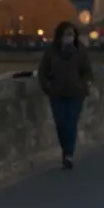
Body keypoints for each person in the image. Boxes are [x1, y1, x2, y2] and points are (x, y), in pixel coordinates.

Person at [37, 21, 94, 169]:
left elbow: (87, 71)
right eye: (67, 34)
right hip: (57, 93)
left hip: (76, 93)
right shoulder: (51, 52)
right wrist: (47, 86)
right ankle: (66, 150)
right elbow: (43, 71)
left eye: (72, 35)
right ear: (60, 36)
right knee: (61, 124)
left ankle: (68, 154)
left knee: (71, 123)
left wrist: (83, 84)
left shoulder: (80, 51)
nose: (69, 38)